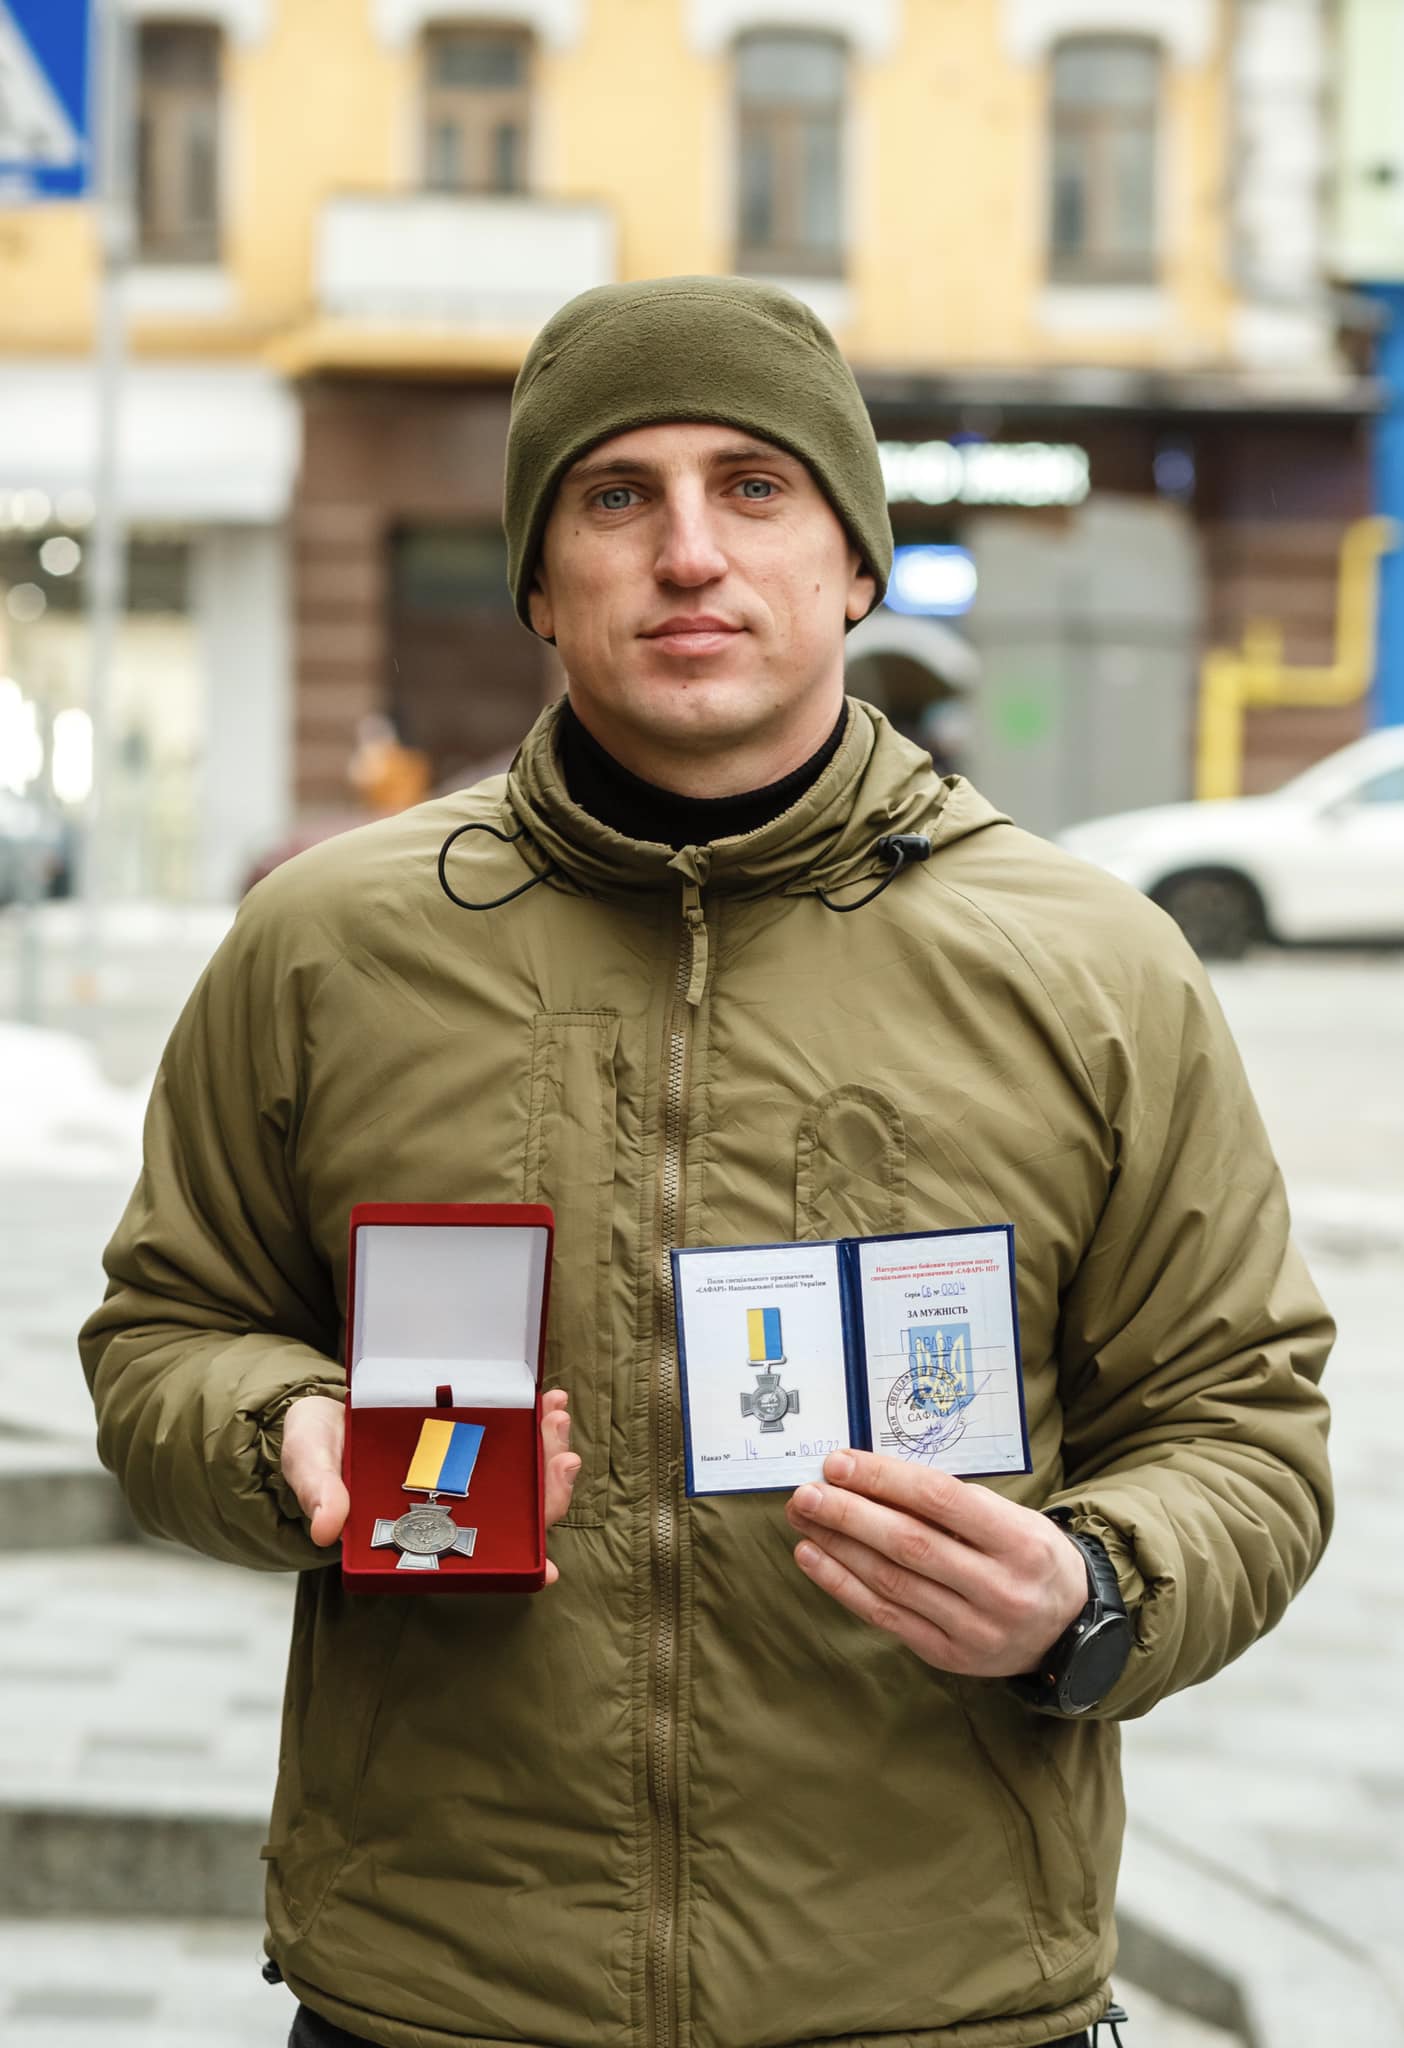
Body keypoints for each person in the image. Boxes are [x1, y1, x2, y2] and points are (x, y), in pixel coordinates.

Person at [80, 276, 1333, 2048]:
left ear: (855, 561)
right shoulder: (326, 948)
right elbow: (163, 1335)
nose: (688, 553)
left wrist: (1091, 1590)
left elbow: (1243, 1423)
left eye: (755, 487)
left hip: (937, 1997)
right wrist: (277, 1429)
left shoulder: (1093, 966)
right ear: (538, 578)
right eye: (617, 496)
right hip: (439, 1991)